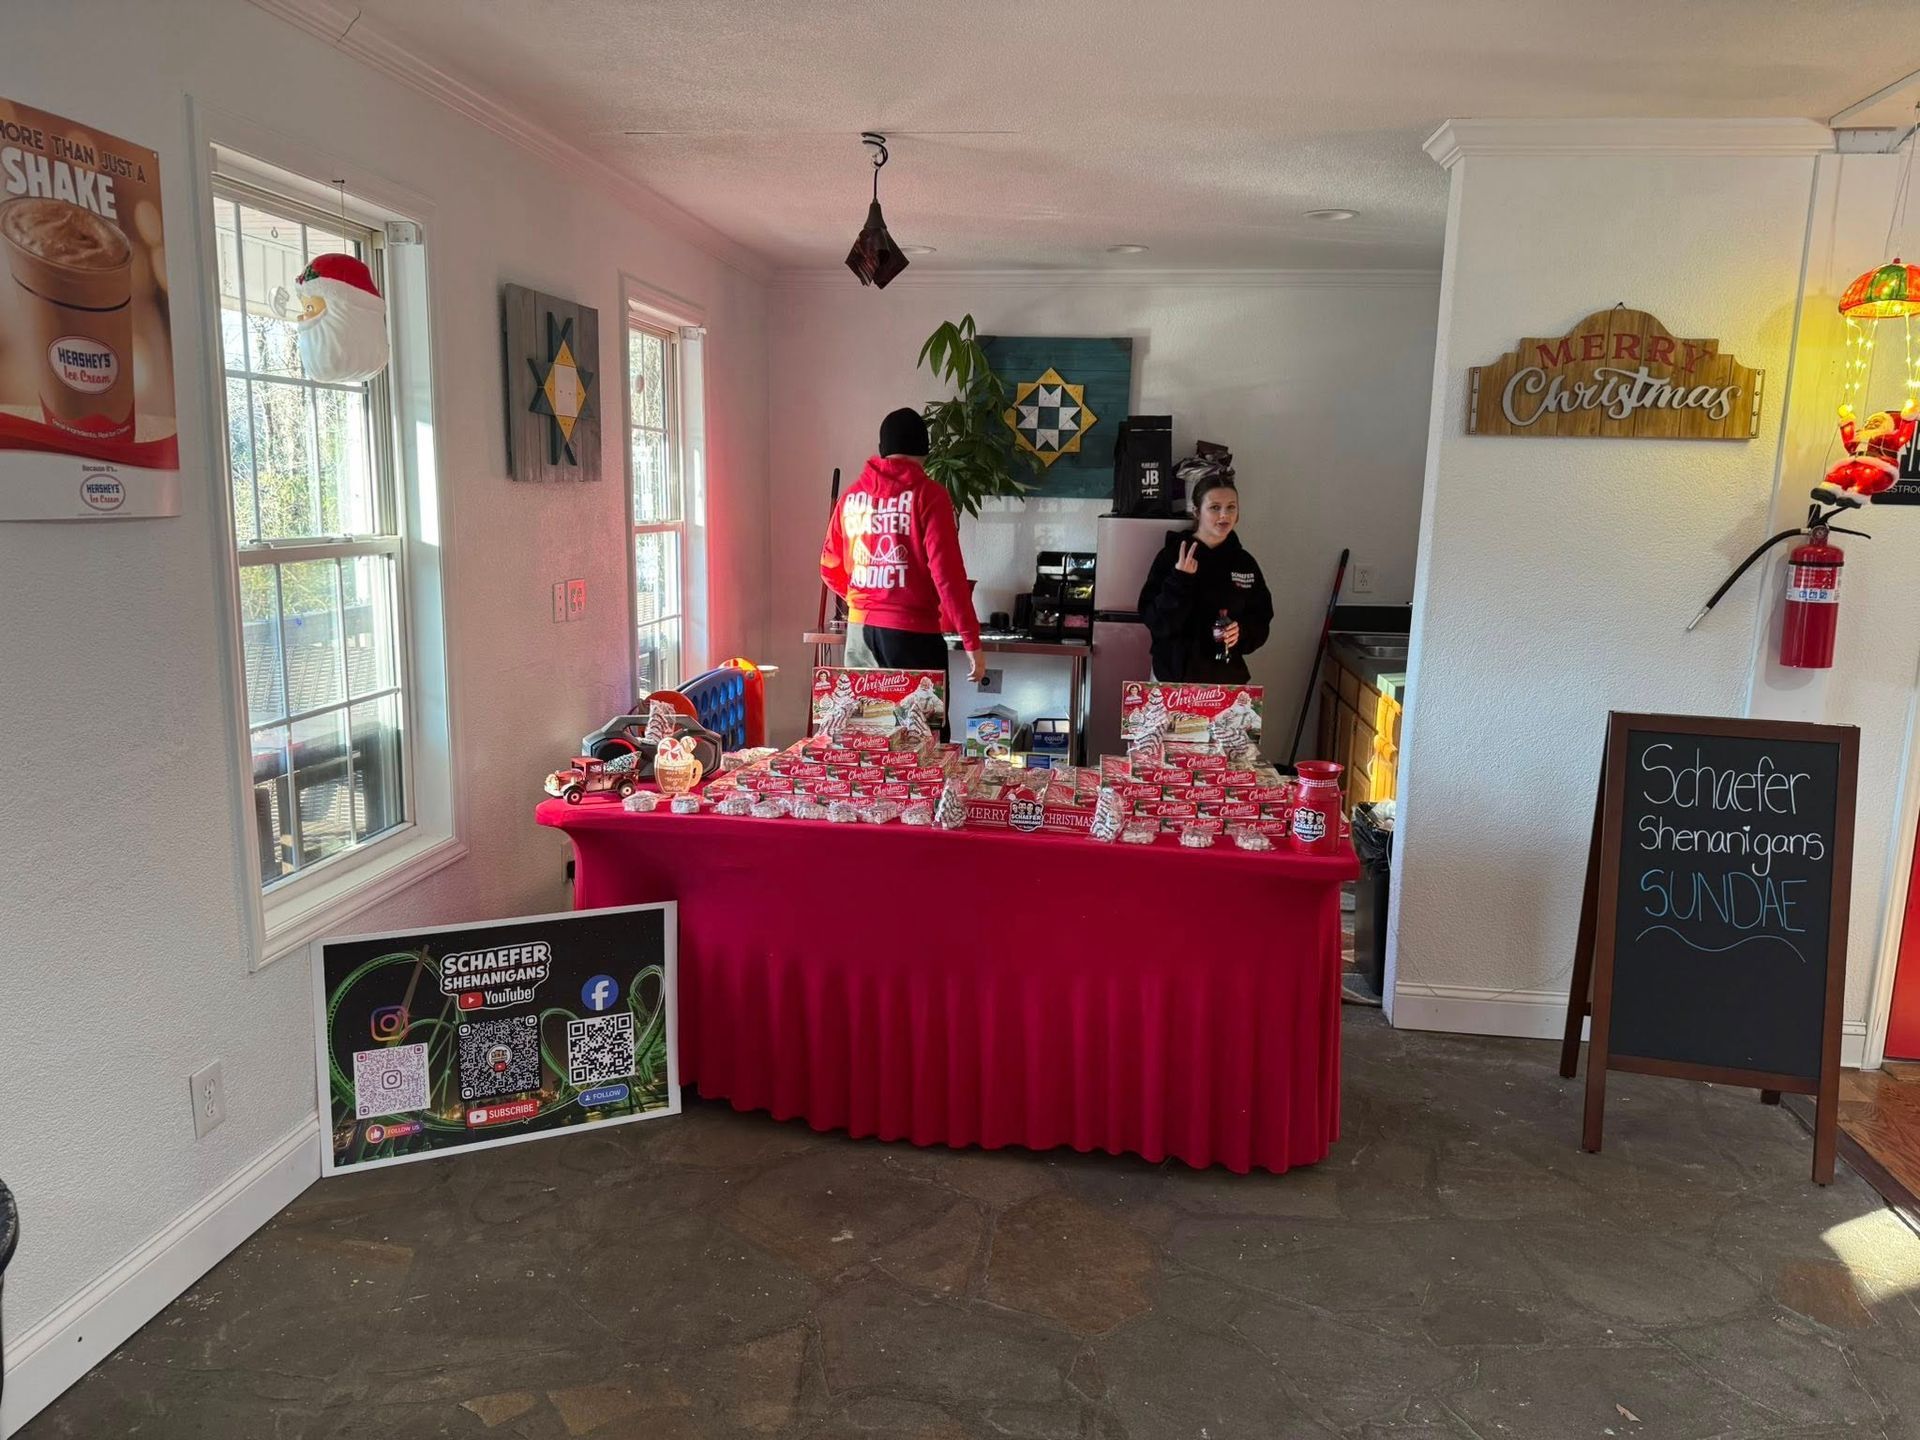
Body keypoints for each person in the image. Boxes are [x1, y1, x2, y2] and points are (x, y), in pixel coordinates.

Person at [821, 408, 988, 683]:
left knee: (867, 722)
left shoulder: (850, 497)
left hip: (859, 633)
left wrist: (867, 597)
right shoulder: (929, 496)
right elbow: (948, 576)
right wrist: (971, 640)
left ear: (881, 450)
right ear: (925, 450)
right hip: (912, 635)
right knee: (919, 725)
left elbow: (829, 567)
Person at [1137, 473, 1274, 683]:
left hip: (1226, 683)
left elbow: (1261, 619)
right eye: (1214, 507)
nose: (1224, 515)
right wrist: (1180, 579)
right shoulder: (1172, 556)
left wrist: (1241, 632)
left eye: (1231, 507)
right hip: (1173, 680)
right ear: (1196, 511)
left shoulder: (1245, 563)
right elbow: (1155, 620)